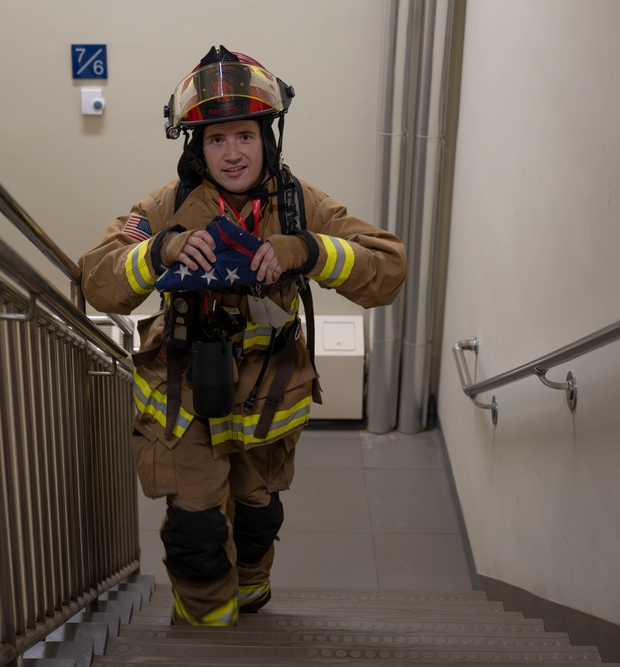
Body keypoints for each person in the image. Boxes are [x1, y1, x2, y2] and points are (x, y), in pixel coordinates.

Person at [78, 45, 407, 626]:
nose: (232, 154)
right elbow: (98, 282)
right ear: (197, 148)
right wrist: (159, 250)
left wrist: (308, 250)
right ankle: (208, 631)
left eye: (245, 137)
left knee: (258, 519)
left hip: (266, 401)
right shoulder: (166, 206)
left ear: (267, 138)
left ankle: (251, 594)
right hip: (185, 401)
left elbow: (388, 269)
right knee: (197, 530)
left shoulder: (300, 204)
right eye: (216, 139)